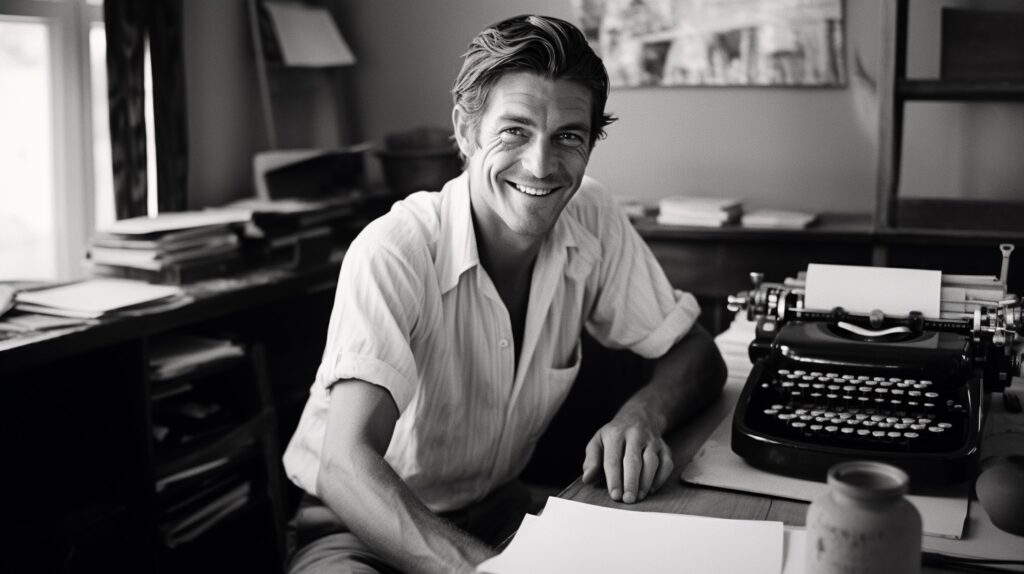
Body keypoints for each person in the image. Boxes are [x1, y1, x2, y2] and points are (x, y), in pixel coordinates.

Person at [282, 14, 726, 574]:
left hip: (500, 513)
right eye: (514, 130)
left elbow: (697, 355)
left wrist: (643, 415)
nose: (541, 165)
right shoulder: (396, 248)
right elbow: (345, 466)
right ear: (466, 132)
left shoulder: (591, 215)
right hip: (359, 526)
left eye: (569, 136)